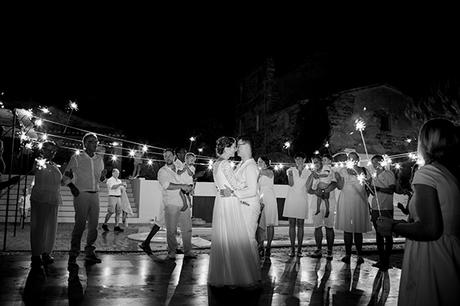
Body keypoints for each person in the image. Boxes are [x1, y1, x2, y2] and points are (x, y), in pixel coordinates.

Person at [377, 118, 460, 306]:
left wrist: (394, 226)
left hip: (431, 255)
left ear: (425, 143)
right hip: (451, 252)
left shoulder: (427, 173)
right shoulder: (450, 173)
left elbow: (429, 229)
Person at [208, 136, 261, 287]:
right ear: (226, 148)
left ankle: (245, 274)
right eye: (233, 146)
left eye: (238, 146)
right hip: (231, 202)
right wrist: (234, 189)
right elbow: (235, 183)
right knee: (235, 240)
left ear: (246, 147)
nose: (236, 148)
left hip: (236, 203)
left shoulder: (245, 165)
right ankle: (238, 274)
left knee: (240, 240)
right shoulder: (229, 164)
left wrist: (232, 191)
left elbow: (249, 189)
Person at [63, 133, 107, 266]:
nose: (95, 144)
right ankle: (74, 252)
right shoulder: (77, 158)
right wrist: (72, 187)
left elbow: (100, 179)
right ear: (85, 144)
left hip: (95, 195)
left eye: (96, 141)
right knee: (80, 224)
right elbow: (66, 176)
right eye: (92, 141)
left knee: (94, 226)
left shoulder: (99, 159)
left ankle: (89, 252)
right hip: (81, 194)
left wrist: (103, 177)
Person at [156, 148, 195, 260]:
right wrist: (182, 186)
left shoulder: (180, 167)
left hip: (185, 202)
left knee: (187, 228)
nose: (167, 158)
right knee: (171, 230)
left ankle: (188, 251)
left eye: (169, 155)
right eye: (165, 156)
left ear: (174, 156)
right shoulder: (162, 171)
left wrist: (190, 187)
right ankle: (172, 251)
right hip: (171, 203)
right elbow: (166, 185)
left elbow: (189, 179)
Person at [29, 141, 62, 272]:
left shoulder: (54, 164)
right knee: (39, 227)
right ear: (43, 150)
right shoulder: (39, 161)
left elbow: (59, 181)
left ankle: (46, 252)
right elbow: (35, 169)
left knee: (51, 226)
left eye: (54, 150)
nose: (52, 152)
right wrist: (41, 160)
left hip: (53, 198)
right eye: (49, 149)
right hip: (41, 198)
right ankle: (36, 255)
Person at [335, 151, 372, 265]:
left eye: (354, 158)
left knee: (358, 229)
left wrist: (357, 175)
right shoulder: (343, 170)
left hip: (359, 202)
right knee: (348, 229)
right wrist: (338, 178)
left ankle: (360, 255)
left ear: (358, 159)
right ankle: (348, 254)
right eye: (350, 158)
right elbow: (340, 187)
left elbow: (369, 187)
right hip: (346, 201)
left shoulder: (365, 170)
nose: (352, 160)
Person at [307, 155, 338, 260]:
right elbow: (308, 189)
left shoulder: (329, 170)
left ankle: (330, 251)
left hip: (329, 201)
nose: (316, 163)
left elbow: (334, 183)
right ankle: (318, 249)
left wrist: (326, 190)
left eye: (317, 161)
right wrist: (316, 191)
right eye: (313, 162)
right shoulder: (312, 174)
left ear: (321, 162)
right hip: (316, 202)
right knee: (317, 227)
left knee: (329, 227)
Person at [369, 155, 396, 270]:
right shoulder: (374, 176)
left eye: (376, 162)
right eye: (373, 163)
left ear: (381, 162)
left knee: (387, 234)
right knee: (379, 234)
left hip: (386, 208)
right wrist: (368, 186)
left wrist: (379, 189)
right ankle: (381, 259)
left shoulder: (388, 174)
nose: (375, 165)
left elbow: (391, 190)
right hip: (376, 207)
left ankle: (387, 260)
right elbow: (373, 192)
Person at [282, 152, 310, 257]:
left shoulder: (308, 172)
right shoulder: (290, 170)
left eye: (300, 159)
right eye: (297, 159)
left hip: (302, 199)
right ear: (295, 160)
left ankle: (299, 249)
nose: (299, 161)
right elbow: (291, 184)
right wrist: (290, 175)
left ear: (304, 160)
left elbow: (308, 187)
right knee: (292, 224)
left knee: (301, 225)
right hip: (291, 199)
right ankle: (292, 249)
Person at [257, 156, 278, 258]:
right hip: (260, 198)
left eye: (260, 161)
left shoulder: (269, 172)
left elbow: (262, 172)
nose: (259, 163)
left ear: (265, 163)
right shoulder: (258, 173)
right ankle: (260, 245)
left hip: (269, 198)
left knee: (270, 223)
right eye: (258, 162)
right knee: (260, 224)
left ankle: (269, 246)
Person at [102, 168, 127, 232]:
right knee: (111, 211)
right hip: (112, 197)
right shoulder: (110, 180)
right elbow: (113, 187)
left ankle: (116, 226)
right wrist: (120, 184)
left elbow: (121, 189)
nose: (118, 174)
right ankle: (105, 224)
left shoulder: (119, 180)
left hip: (118, 197)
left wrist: (124, 187)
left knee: (118, 212)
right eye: (116, 173)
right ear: (113, 173)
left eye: (118, 173)